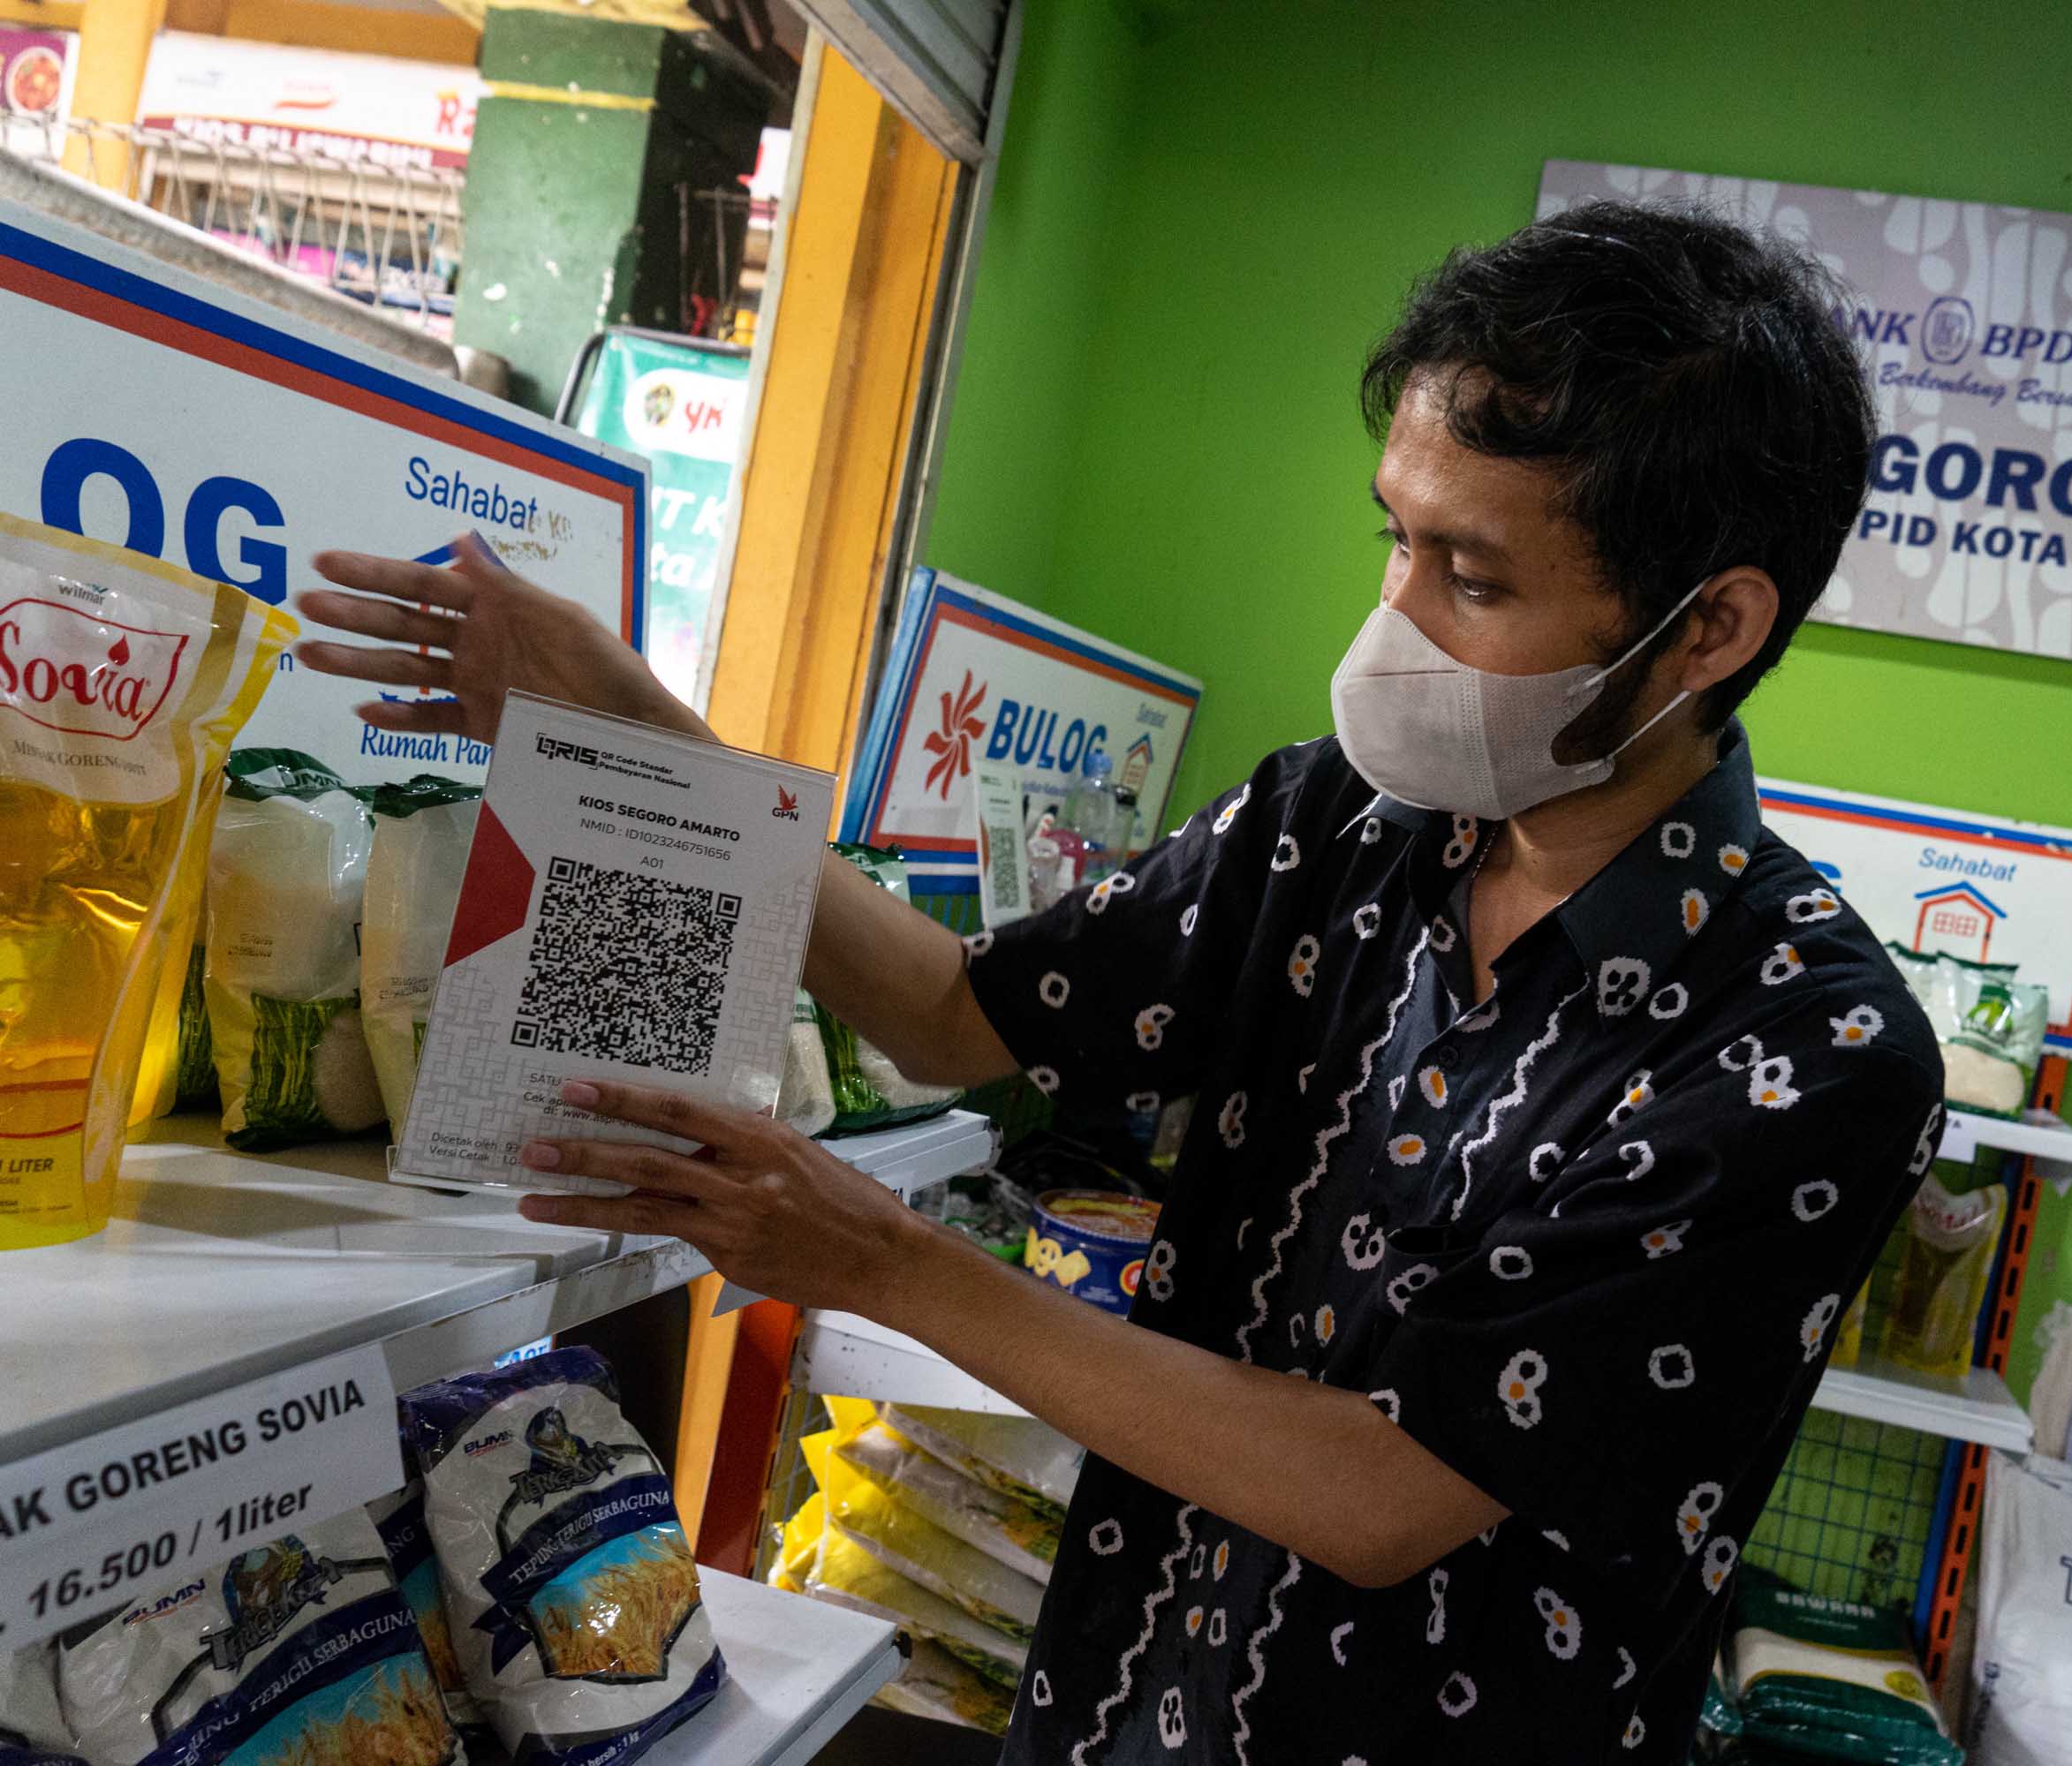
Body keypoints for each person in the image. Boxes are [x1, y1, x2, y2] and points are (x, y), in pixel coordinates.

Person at [298, 200, 1943, 1763]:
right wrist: (627, 716)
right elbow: (952, 1014)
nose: (1395, 622)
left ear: (1710, 629)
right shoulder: (1339, 827)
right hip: (1118, 1706)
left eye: (1477, 578)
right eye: (1396, 541)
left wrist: (879, 1258)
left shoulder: (1811, 1051)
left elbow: (1385, 1491)